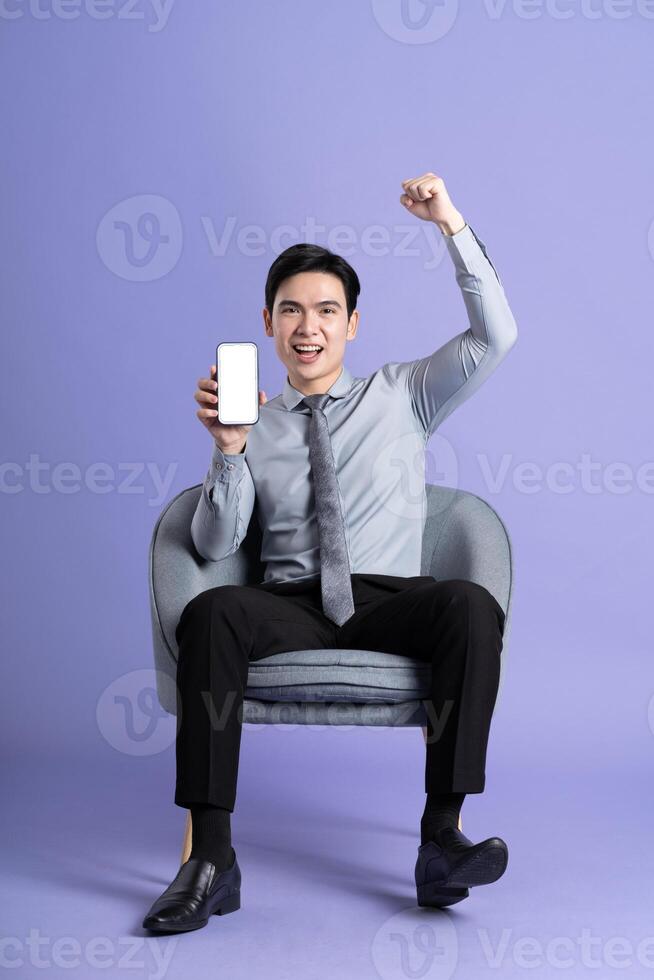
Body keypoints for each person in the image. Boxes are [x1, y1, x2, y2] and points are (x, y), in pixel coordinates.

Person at [142, 172, 518, 932]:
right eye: (291, 311)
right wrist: (228, 451)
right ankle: (210, 858)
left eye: (325, 311)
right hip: (291, 605)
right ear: (268, 323)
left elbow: (494, 337)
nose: (307, 327)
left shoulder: (404, 392)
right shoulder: (255, 420)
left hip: (390, 601)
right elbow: (215, 543)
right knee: (213, 610)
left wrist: (449, 224)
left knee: (470, 605)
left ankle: (441, 838)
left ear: (351, 324)